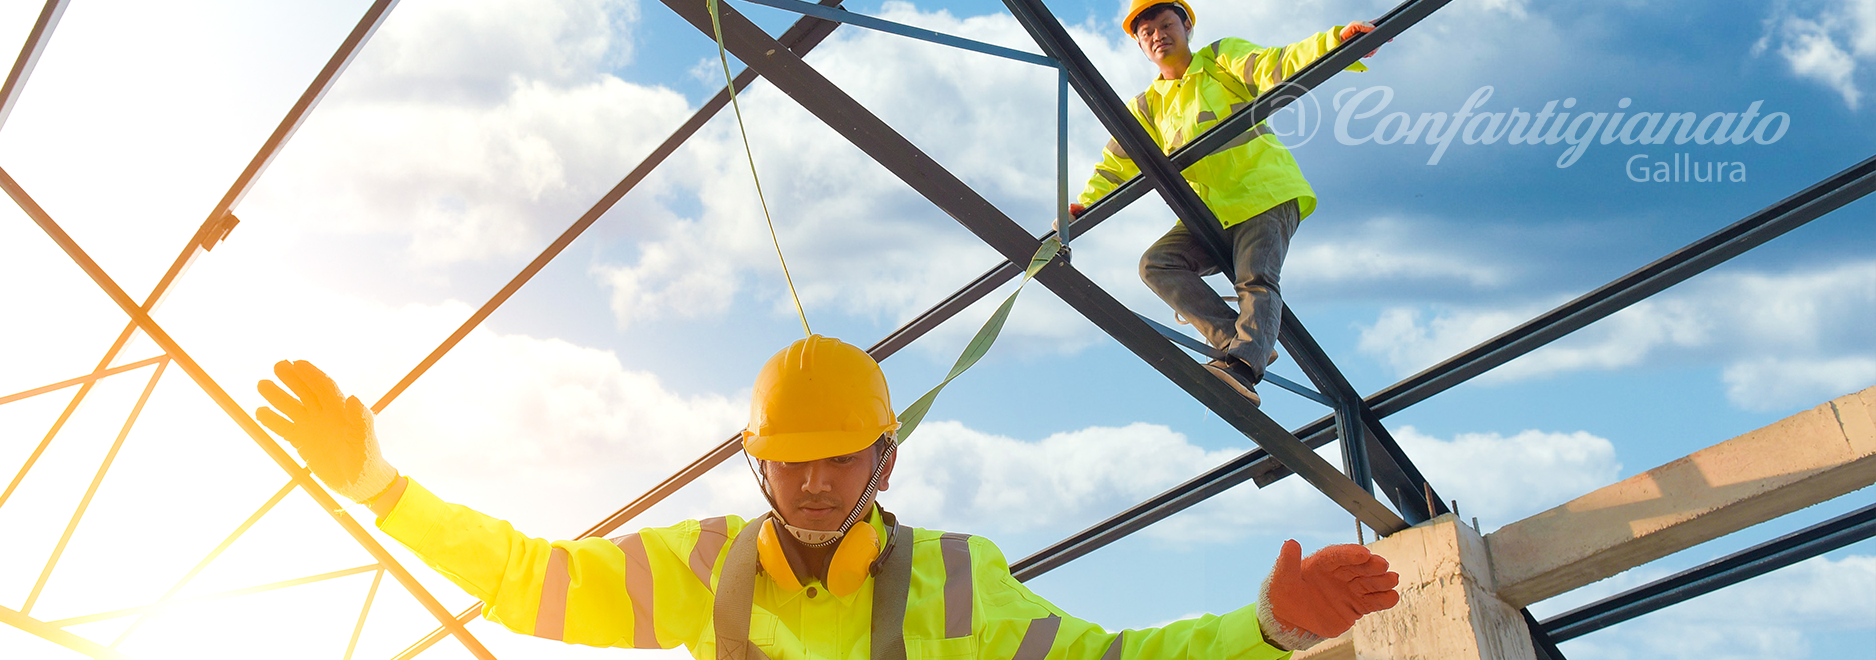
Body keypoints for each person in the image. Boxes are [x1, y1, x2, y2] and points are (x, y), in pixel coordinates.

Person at [255, 336, 1399, 659]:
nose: (810, 481)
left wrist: (1263, 629)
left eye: (837, 459)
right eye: (788, 460)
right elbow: (530, 581)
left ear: (885, 462)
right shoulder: (698, 571)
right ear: (756, 465)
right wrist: (381, 488)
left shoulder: (959, 585)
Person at [1070, 0, 1383, 406]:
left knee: (1255, 279)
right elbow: (1116, 164)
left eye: (1166, 25)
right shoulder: (1147, 107)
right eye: (1147, 32)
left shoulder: (1220, 60)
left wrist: (1338, 42)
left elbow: (1278, 63)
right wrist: (1081, 208)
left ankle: (1241, 369)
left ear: (1187, 28)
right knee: (1156, 264)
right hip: (1211, 212)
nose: (1158, 35)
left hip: (1263, 192)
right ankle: (1241, 341)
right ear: (1140, 45)